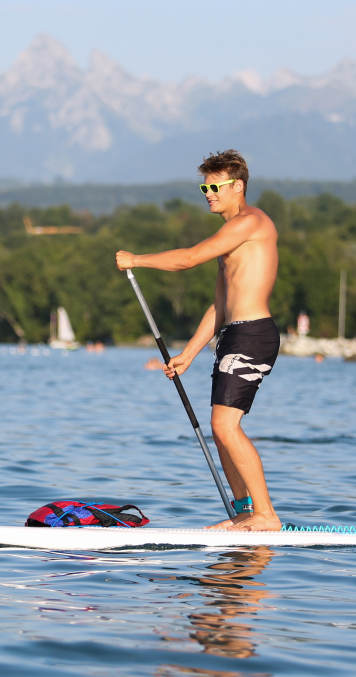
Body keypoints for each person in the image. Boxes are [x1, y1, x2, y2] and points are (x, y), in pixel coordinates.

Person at [116, 149, 281, 531]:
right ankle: (244, 512)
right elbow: (219, 308)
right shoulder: (231, 237)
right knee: (219, 428)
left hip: (253, 335)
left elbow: (189, 258)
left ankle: (266, 515)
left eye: (215, 186)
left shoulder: (250, 222)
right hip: (233, 334)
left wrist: (137, 260)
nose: (208, 193)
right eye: (204, 186)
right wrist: (188, 354)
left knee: (225, 427)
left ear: (237, 187)